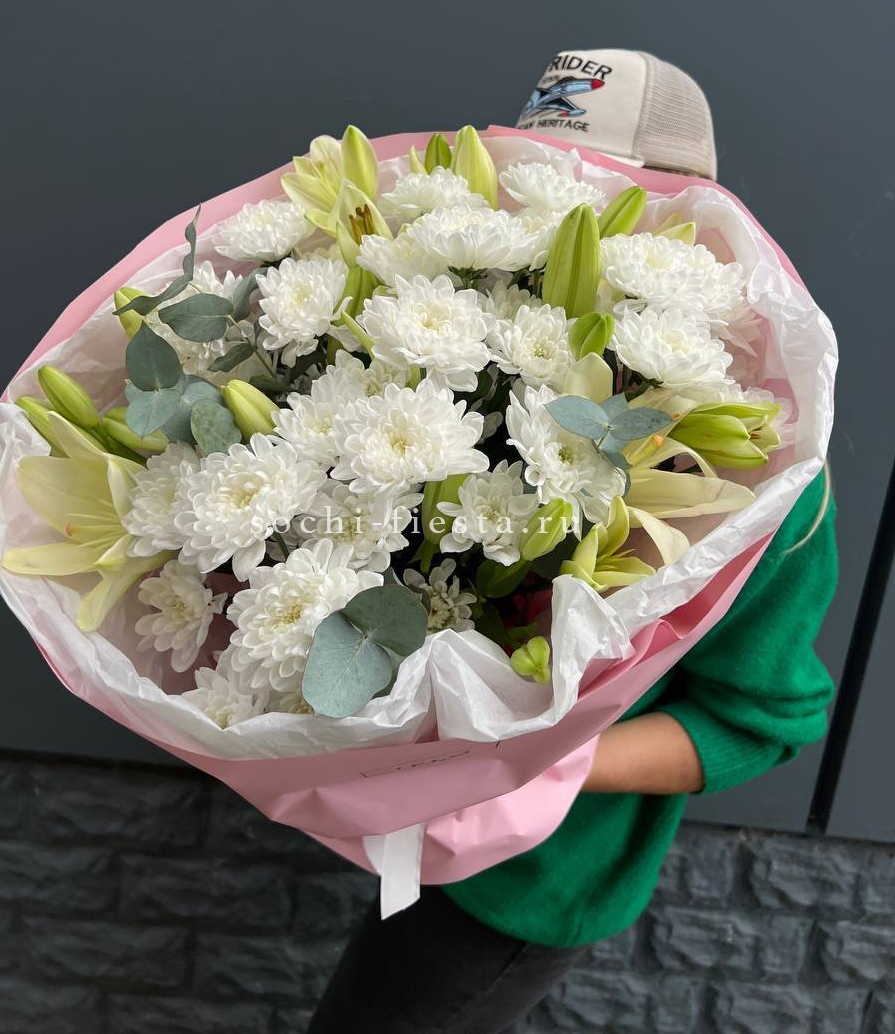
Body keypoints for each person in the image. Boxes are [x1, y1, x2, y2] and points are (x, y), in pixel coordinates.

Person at [307, 53, 840, 1034]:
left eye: (603, 200)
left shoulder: (766, 470)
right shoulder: (459, 364)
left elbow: (764, 718)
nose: (561, 227)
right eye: (537, 189)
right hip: (416, 836)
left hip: (533, 881)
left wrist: (531, 759)